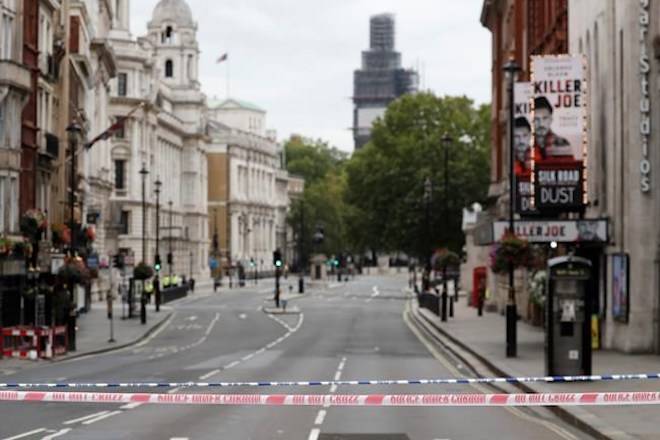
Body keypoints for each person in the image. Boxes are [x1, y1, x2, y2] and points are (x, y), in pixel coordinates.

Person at [533, 96, 574, 163]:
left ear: (551, 119)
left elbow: (570, 169)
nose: (541, 124)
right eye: (536, 119)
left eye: (545, 118)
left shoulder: (562, 143)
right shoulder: (525, 146)